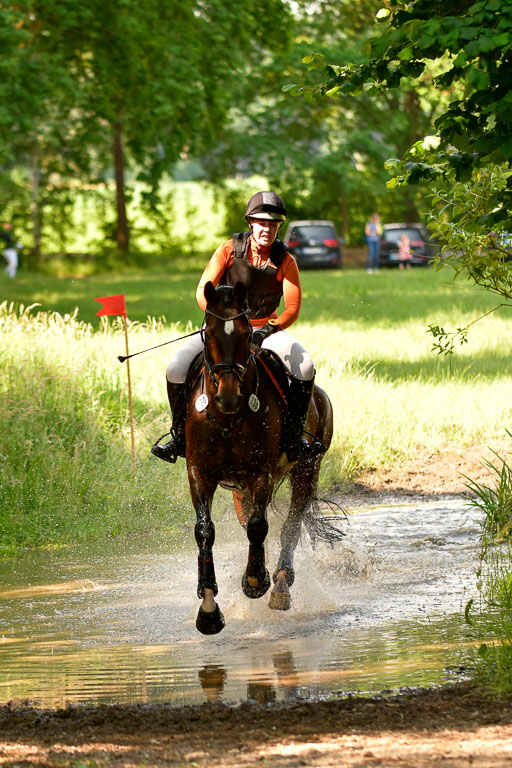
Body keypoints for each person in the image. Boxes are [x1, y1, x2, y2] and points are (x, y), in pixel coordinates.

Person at [151, 190, 324, 464]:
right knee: (175, 368)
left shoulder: (285, 261)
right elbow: (201, 290)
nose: (266, 229)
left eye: (273, 224)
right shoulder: (228, 250)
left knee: (305, 367)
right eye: (261, 223)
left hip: (264, 332)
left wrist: (267, 329)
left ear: (279, 227)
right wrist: (219, 314)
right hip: (224, 330)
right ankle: (179, 435)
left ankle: (293, 437)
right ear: (250, 223)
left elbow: (292, 307)